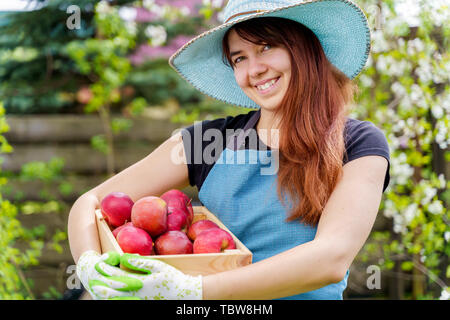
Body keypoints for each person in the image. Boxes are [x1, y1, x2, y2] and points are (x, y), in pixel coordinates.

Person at [69, 0, 391, 300]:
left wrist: (194, 290)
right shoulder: (208, 142)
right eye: (239, 58)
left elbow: (330, 258)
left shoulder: (358, 144)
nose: (254, 70)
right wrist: (88, 266)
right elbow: (89, 203)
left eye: (267, 47)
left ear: (305, 49)